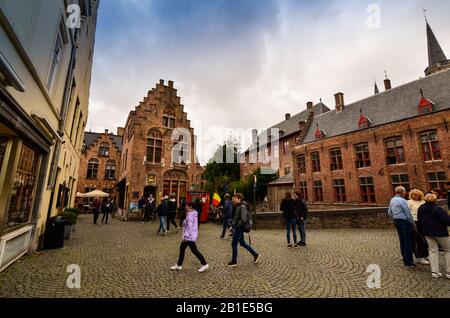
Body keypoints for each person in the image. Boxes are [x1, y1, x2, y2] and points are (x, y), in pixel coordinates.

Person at [417, 192, 450, 279]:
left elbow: (419, 221)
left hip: (427, 233)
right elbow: (447, 221)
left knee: (432, 251)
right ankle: (448, 272)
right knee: (447, 250)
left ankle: (435, 272)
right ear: (435, 200)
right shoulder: (438, 209)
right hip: (440, 233)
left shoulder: (421, 208)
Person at [170, 201, 209, 273]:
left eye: (186, 206)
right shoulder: (191, 213)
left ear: (190, 207)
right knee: (183, 248)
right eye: (185, 206)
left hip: (189, 236)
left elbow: (189, 227)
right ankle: (179, 265)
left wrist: (185, 237)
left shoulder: (190, 215)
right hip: (190, 235)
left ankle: (204, 264)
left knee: (194, 250)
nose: (185, 207)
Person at [227, 193, 260, 267]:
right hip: (238, 228)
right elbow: (236, 218)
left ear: (239, 199)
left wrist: (235, 226)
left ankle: (234, 261)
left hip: (239, 228)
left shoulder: (242, 207)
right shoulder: (237, 206)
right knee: (242, 243)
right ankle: (255, 254)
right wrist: (232, 225)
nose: (233, 199)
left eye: (235, 198)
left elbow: (243, 219)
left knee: (234, 243)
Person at [388, 186, 417, 270]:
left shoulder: (392, 200)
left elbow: (389, 212)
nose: (405, 193)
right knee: (408, 241)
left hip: (396, 221)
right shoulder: (402, 200)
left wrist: (396, 216)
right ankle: (409, 262)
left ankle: (405, 258)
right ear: (402, 192)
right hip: (404, 221)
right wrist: (413, 224)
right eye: (404, 192)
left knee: (402, 240)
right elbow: (408, 213)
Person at [407, 189, 429, 265]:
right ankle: (419, 256)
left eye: (416, 194)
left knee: (426, 239)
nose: (414, 196)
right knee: (418, 240)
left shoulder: (423, 202)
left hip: (424, 222)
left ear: (419, 195)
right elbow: (408, 213)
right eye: (413, 194)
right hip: (414, 222)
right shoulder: (409, 202)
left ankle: (425, 254)